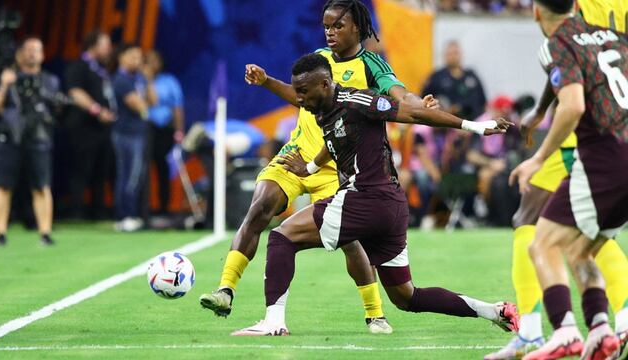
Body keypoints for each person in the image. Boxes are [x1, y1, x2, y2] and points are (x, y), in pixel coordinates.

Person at [229, 53, 517, 336]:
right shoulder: (323, 111)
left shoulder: (360, 101)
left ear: (325, 84)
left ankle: (273, 323)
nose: (299, 98)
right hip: (390, 207)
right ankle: (494, 311)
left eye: (304, 91)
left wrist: (476, 126)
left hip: (366, 197)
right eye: (297, 91)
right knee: (406, 297)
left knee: (281, 237)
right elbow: (335, 143)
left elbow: (414, 113)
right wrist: (309, 167)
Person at [199, 0, 438, 334]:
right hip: (296, 154)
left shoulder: (372, 65)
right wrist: (267, 80)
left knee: (350, 242)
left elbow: (398, 96)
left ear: (356, 27)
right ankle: (225, 290)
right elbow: (299, 97)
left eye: (337, 26)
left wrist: (419, 103)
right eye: (326, 26)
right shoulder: (318, 60)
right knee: (260, 206)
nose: (330, 32)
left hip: (334, 165)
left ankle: (375, 314)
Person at [485, 1, 628, 358]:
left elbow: (573, 97)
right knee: (581, 246)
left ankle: (555, 330)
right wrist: (539, 110)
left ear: (535, 11)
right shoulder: (614, 37)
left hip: (596, 147)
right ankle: (602, 328)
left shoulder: (558, 40)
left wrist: (536, 158)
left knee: (538, 236)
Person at [0, 37, 60, 246]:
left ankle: (45, 233)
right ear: (20, 54)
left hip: (38, 136)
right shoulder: (8, 77)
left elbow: (56, 109)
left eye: (36, 50)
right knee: (3, 185)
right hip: (10, 135)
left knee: (41, 186)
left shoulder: (50, 81)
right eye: (28, 49)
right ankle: (0, 233)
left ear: (43, 55)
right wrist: (3, 85)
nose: (32, 53)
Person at [64, 30, 116, 220]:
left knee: (101, 172)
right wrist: (97, 110)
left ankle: (98, 212)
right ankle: (76, 212)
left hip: (102, 130)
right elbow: (75, 92)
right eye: (105, 45)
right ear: (93, 46)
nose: (109, 49)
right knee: (81, 170)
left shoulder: (102, 70)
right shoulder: (79, 66)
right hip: (83, 128)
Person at [111, 44, 157, 231]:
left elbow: (154, 101)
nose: (137, 61)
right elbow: (140, 107)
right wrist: (143, 104)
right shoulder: (121, 79)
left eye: (139, 57)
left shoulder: (138, 78)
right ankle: (124, 216)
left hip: (138, 132)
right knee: (127, 175)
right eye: (132, 57)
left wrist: (148, 79)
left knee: (135, 175)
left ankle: (130, 215)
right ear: (122, 57)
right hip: (125, 133)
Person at [144, 50, 185, 215]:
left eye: (156, 60)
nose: (153, 64)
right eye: (149, 61)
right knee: (143, 170)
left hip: (165, 131)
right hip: (145, 130)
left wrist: (179, 130)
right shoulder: (139, 81)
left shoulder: (169, 81)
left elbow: (177, 107)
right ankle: (144, 209)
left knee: (163, 169)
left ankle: (164, 207)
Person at [422, 40, 487, 121]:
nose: (453, 56)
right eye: (450, 54)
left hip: (472, 124)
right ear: (444, 56)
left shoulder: (472, 76)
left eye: (455, 53)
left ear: (461, 54)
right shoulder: (436, 77)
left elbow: (483, 103)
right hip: (444, 124)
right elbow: (424, 101)